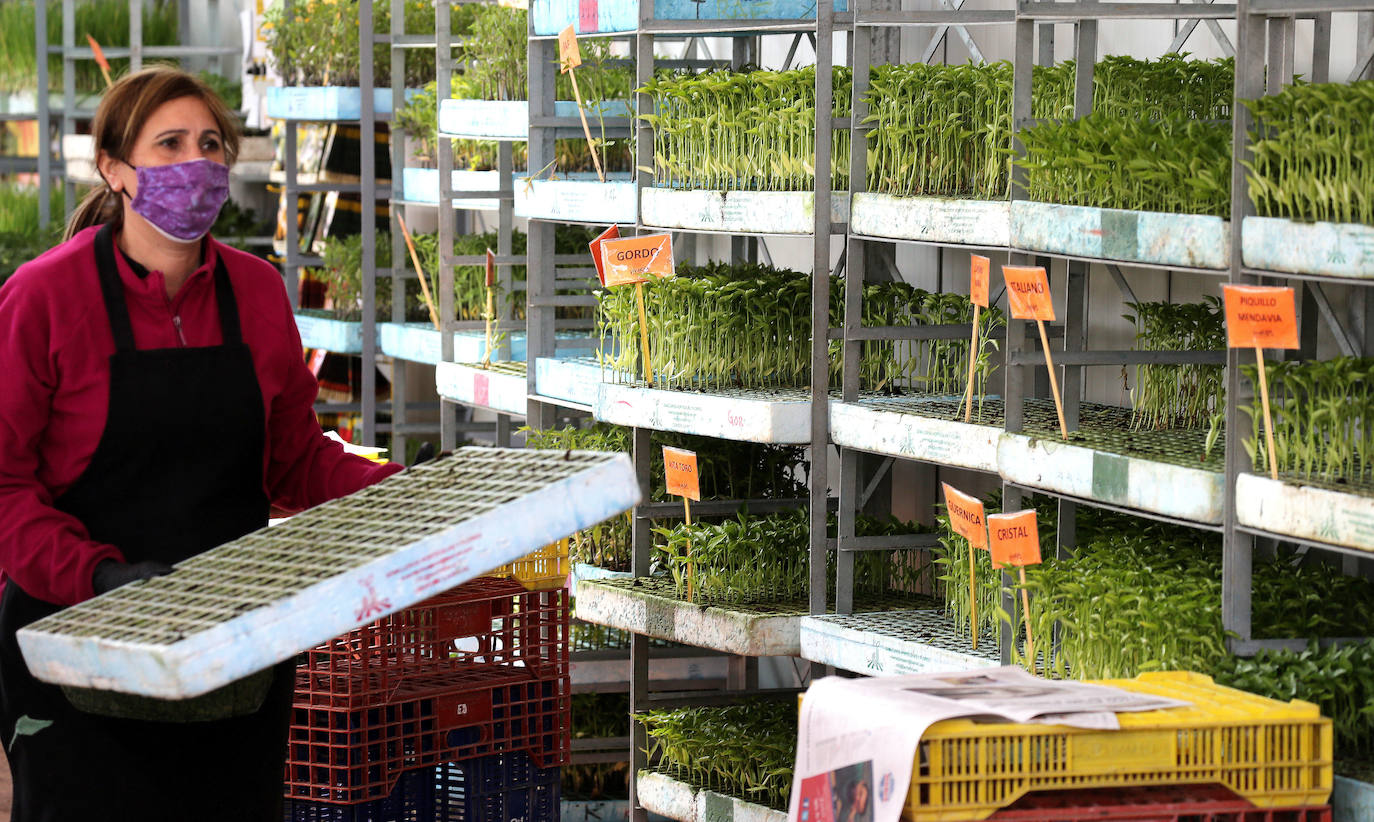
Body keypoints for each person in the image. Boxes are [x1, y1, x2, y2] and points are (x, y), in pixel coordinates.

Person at [0, 66, 405, 821]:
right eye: (170, 144)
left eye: (210, 144)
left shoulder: (255, 292)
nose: (197, 163)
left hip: (232, 647)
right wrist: (99, 576)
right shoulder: (44, 297)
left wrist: (401, 490)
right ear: (116, 170)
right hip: (75, 642)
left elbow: (292, 458)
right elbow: (3, 489)